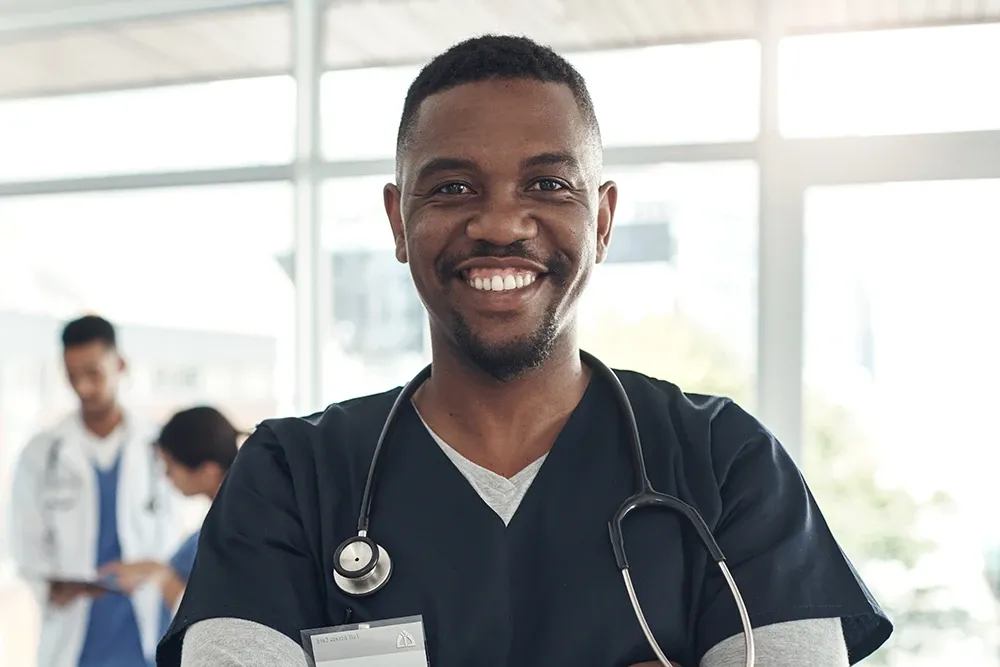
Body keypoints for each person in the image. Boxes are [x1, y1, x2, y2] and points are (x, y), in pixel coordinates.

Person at [156, 36, 893, 667]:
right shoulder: (289, 476)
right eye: (451, 186)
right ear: (398, 219)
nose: (501, 222)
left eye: (547, 183)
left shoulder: (726, 462)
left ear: (601, 219)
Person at [8, 314, 182, 667]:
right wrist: (59, 585)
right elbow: (24, 544)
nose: (83, 387)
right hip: (76, 630)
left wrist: (151, 572)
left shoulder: (156, 447)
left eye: (93, 374)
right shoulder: (43, 453)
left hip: (143, 623)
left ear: (119, 365)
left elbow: (173, 538)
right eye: (73, 377)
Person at [99, 407, 241, 613]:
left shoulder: (237, 530)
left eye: (170, 466)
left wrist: (162, 576)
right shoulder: (217, 525)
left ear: (208, 471)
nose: (166, 476)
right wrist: (154, 570)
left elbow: (216, 614)